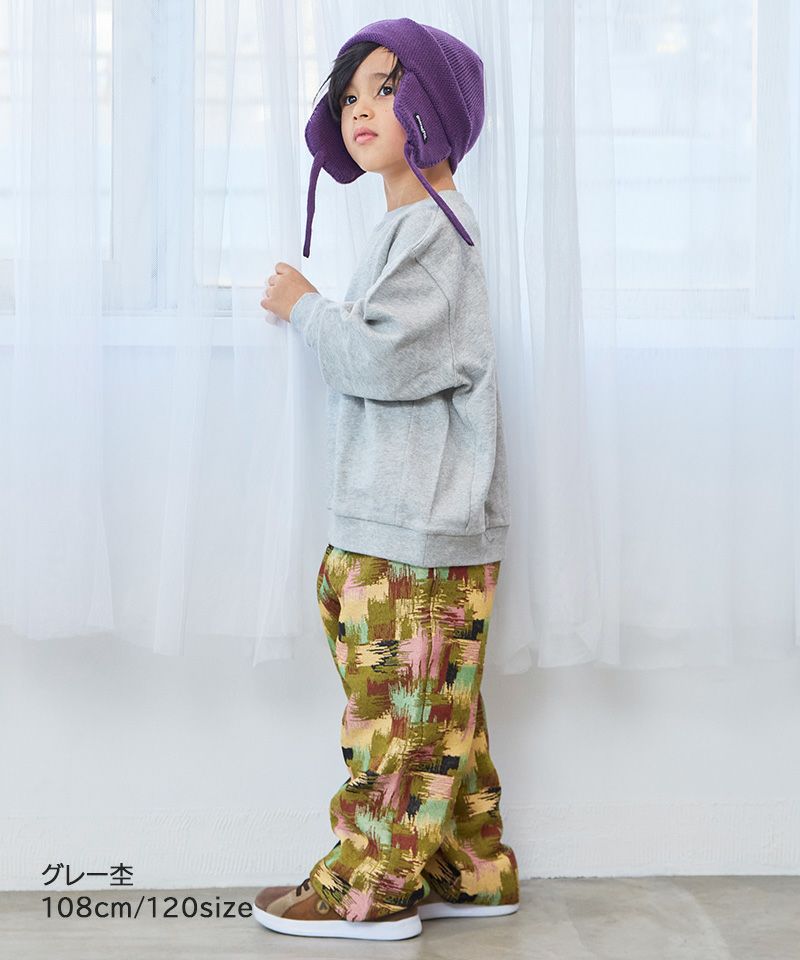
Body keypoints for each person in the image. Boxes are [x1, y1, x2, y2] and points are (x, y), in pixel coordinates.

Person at [255, 17, 519, 943]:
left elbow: (380, 359)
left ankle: (368, 891)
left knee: (398, 723)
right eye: (350, 95)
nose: (360, 109)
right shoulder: (413, 227)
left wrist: (305, 308)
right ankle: (468, 868)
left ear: (435, 106)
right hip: (399, 519)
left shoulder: (438, 231)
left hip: (417, 527)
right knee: (438, 716)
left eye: (386, 88)